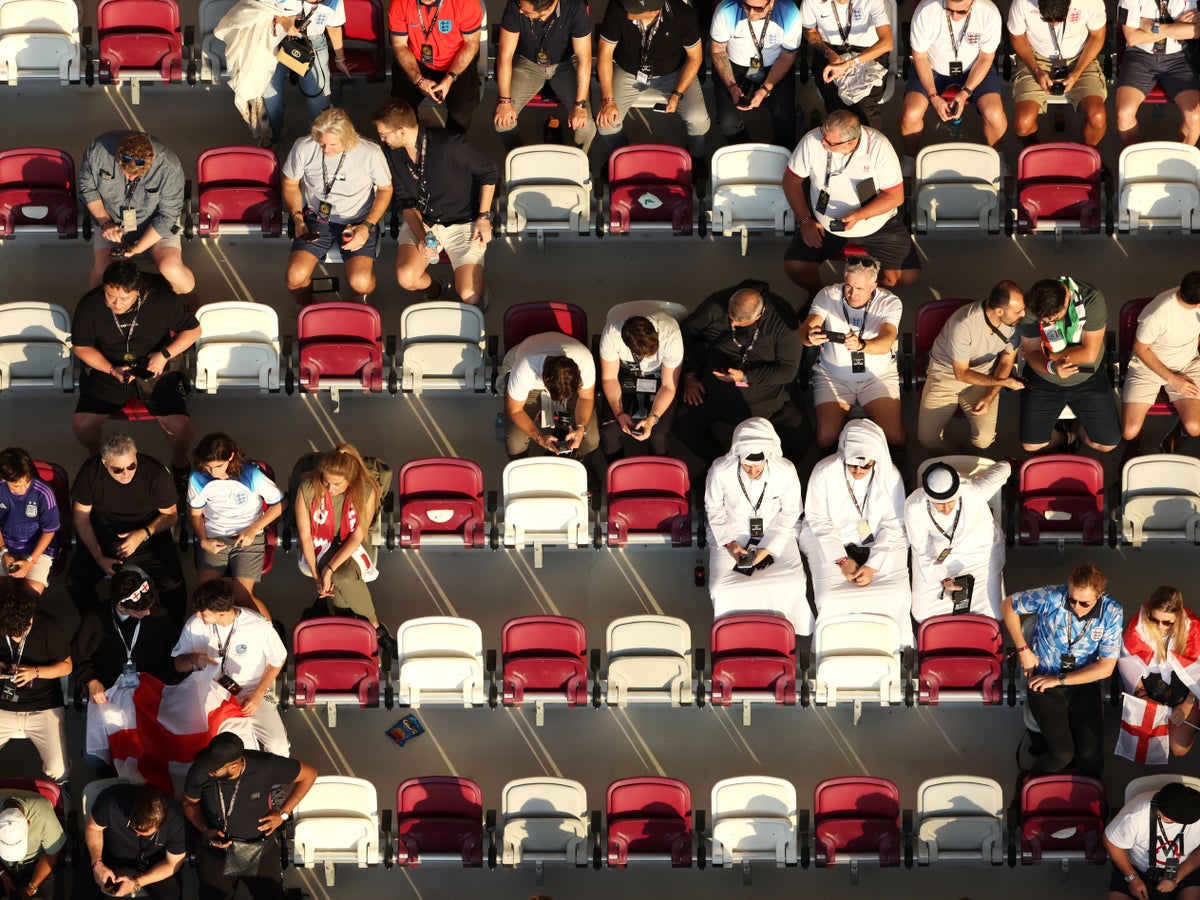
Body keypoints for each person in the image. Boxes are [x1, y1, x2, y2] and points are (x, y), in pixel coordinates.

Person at [70, 261, 200, 475]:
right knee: (82, 426)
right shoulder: (90, 305)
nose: (116, 303)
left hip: (156, 365)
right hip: (110, 366)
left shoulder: (162, 300)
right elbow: (82, 347)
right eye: (110, 295)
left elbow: (193, 331)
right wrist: (111, 369)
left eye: (124, 298)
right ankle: (95, 456)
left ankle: (179, 462)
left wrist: (164, 355)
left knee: (181, 429)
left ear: (138, 291)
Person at [373, 98, 497, 309]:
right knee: (406, 277)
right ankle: (436, 290)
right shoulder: (392, 152)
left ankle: (479, 293)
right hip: (425, 221)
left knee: (470, 295)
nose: (382, 139)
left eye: (384, 135)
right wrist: (422, 237)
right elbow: (405, 199)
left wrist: (483, 217)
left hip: (463, 222)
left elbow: (488, 171)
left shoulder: (450, 144)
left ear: (401, 131)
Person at [1001, 562, 1123, 777]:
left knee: (1092, 757)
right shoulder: (1052, 596)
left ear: (1100, 595)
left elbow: (1105, 668)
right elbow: (1008, 605)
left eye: (1084, 603)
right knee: (1061, 754)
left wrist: (1059, 680)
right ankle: (1028, 781)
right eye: (1072, 599)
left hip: (1081, 683)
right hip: (1043, 682)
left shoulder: (1112, 611)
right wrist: (1023, 649)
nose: (1075, 606)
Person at [782, 110, 920, 299]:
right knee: (795, 267)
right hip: (825, 225)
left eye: (829, 142)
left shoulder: (879, 148)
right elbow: (791, 180)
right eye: (823, 135)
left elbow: (896, 196)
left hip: (876, 224)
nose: (822, 142)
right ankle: (820, 295)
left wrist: (859, 215)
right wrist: (805, 220)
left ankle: (864, 292)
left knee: (905, 276)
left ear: (850, 143)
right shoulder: (811, 141)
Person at [799, 419, 912, 644]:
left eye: (865, 466)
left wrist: (872, 566)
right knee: (830, 598)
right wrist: (842, 560)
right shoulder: (824, 471)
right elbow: (818, 520)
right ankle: (834, 647)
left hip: (881, 540)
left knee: (896, 596)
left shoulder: (890, 476)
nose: (858, 471)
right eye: (852, 465)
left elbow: (893, 524)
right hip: (830, 539)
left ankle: (893, 647)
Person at [673, 281, 807, 467]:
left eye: (739, 322)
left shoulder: (784, 322)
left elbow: (787, 370)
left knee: (801, 437)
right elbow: (685, 334)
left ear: (759, 315)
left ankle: (767, 471)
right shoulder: (715, 305)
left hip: (765, 396)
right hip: (714, 390)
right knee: (682, 424)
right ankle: (722, 465)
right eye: (731, 318)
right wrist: (690, 376)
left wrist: (745, 376)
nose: (733, 323)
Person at [704, 417, 810, 636]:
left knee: (794, 583)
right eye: (747, 465)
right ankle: (733, 634)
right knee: (720, 588)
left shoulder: (786, 470)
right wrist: (730, 544)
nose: (752, 470)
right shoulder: (720, 469)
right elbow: (713, 508)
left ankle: (785, 632)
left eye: (757, 464)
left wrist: (768, 548)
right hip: (730, 535)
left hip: (776, 534)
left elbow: (791, 512)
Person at [181, 732, 317, 900]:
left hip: (258, 849)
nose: (207, 771)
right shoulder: (201, 770)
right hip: (216, 851)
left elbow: (309, 775)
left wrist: (282, 813)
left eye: (214, 769)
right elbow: (189, 803)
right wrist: (205, 829)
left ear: (233, 766)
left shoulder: (265, 765)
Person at [67, 433, 186, 623]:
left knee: (173, 583)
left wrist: (143, 534)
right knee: (75, 583)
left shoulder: (154, 473)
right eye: (118, 469)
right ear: (105, 463)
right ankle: (101, 625)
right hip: (104, 539)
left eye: (131, 466)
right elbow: (81, 518)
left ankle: (172, 630)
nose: (126, 473)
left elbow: (170, 515)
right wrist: (98, 557)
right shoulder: (91, 473)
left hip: (148, 537)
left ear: (136, 457)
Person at [282, 107, 393, 306]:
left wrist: (366, 228)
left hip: (358, 220)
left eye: (333, 144)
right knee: (294, 278)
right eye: (322, 143)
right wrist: (297, 218)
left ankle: (363, 300)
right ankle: (308, 308)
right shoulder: (304, 146)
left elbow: (385, 189)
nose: (326, 150)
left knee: (361, 283)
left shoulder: (370, 152)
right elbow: (290, 183)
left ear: (348, 138)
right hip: (317, 218)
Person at [74, 567, 180, 772]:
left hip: (150, 690)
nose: (148, 612)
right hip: (108, 692)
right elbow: (79, 655)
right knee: (93, 757)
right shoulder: (95, 618)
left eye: (149, 606)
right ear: (121, 606)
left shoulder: (160, 616)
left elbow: (173, 655)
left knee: (155, 747)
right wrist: (91, 681)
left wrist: (158, 686)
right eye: (141, 610)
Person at [799, 255, 904, 452]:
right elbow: (806, 329)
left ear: (874, 286)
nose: (852, 294)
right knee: (824, 438)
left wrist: (862, 345)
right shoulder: (827, 294)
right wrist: (809, 337)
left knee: (895, 436)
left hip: (877, 375)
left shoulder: (890, 302)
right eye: (848, 286)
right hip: (833, 374)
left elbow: (886, 341)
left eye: (860, 289)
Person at [171, 580, 289, 757]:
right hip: (209, 690)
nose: (197, 616)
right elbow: (178, 665)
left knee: (278, 746)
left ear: (222, 613)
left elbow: (278, 659)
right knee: (211, 748)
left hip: (251, 690)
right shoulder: (193, 625)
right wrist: (193, 658)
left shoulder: (258, 625)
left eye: (203, 613)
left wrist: (258, 694)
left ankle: (275, 783)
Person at [78, 131, 196, 305]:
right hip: (109, 222)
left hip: (155, 226)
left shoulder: (169, 167)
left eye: (137, 176)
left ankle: (192, 305)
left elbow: (168, 215)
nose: (130, 177)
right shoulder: (97, 151)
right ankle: (95, 309)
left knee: (171, 268)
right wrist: (105, 222)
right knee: (103, 271)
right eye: (125, 172)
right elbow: (86, 187)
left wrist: (137, 248)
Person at [294, 444, 392, 648]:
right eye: (325, 481)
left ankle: (369, 627)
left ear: (351, 479)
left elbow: (357, 536)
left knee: (341, 576)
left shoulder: (366, 490)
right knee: (340, 579)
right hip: (320, 542)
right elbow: (305, 535)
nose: (330, 489)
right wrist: (317, 575)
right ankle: (372, 630)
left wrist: (329, 569)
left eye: (337, 484)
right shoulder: (308, 487)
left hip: (351, 541)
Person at [595, 0, 710, 170]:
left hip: (673, 72)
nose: (627, 12)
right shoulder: (618, 6)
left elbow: (695, 58)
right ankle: (617, 155)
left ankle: (697, 156)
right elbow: (605, 52)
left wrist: (677, 94)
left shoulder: (684, 15)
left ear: (655, 11)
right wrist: (608, 99)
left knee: (698, 118)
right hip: (629, 71)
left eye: (634, 10)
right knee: (606, 122)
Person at [917, 281, 1026, 452]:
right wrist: (1003, 382)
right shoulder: (964, 324)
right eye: (1018, 311)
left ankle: (964, 454)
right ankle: (951, 457)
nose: (1024, 314)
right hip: (945, 375)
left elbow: (1006, 362)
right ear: (999, 311)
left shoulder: (1015, 325)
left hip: (983, 376)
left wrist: (989, 397)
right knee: (927, 439)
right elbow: (961, 373)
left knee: (983, 440)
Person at [900, 0, 1007, 170]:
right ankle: (909, 159)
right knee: (911, 114)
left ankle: (996, 158)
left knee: (994, 114)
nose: (955, 16)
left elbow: (986, 58)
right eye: (949, 10)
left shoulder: (989, 13)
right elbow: (920, 57)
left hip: (975, 67)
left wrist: (965, 92)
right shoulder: (925, 11)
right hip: (932, 67)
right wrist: (934, 97)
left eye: (962, 12)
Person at [188, 433, 284, 621]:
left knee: (241, 596)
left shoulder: (251, 474)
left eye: (218, 466)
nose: (213, 472)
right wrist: (204, 540)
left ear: (230, 457)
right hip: (214, 536)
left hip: (248, 537)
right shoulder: (198, 477)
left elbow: (281, 504)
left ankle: (269, 636)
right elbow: (195, 514)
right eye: (208, 466)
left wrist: (253, 529)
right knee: (206, 598)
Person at [1018, 275, 1119, 453]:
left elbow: (1089, 354)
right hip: (1045, 377)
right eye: (1044, 321)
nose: (1048, 323)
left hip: (1088, 376)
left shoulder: (1091, 298)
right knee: (1030, 445)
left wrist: (1050, 355)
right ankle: (1066, 437)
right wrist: (1051, 367)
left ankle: (1077, 430)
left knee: (1108, 443)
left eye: (1053, 319)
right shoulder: (1031, 305)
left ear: (1066, 302)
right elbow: (1033, 352)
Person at [905, 460, 1010, 622]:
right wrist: (945, 580)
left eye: (951, 501)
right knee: (922, 614)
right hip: (936, 558)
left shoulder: (974, 491)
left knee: (993, 615)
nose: (946, 508)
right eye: (940, 503)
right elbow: (923, 550)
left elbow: (1005, 467)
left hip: (978, 554)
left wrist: (974, 479)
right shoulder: (914, 506)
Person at [493, 0, 596, 153]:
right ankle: (518, 156)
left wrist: (580, 105)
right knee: (502, 122)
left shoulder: (575, 6)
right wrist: (504, 101)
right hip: (529, 64)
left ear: (547, 9)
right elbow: (505, 56)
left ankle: (578, 160)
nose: (521, 11)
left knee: (586, 126)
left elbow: (584, 58)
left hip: (565, 64)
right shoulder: (517, 4)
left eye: (526, 10)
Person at [1007, 0, 1108, 147]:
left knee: (1097, 116)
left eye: (1060, 20)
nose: (1054, 25)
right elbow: (1016, 37)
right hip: (1034, 57)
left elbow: (1097, 36)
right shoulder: (1022, 2)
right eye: (1046, 20)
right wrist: (1036, 70)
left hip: (1080, 58)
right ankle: (1034, 150)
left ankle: (1090, 155)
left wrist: (1077, 73)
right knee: (1023, 124)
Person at [0, 580, 71, 785]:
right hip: (3, 705)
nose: (15, 636)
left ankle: (61, 794)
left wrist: (36, 672)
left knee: (58, 770)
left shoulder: (48, 628)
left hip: (43, 707)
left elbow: (67, 666)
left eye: (20, 631)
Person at [1122, 272, 1200, 455]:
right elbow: (1140, 349)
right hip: (1148, 366)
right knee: (1129, 431)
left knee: (1194, 428)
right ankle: (1133, 448)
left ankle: (1175, 436)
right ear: (1198, 304)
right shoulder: (1158, 313)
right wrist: (1172, 379)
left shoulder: (1193, 301)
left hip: (1187, 362)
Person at [709, 0, 803, 147]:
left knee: (784, 116)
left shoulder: (789, 13)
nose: (751, 12)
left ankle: (782, 152)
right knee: (727, 121)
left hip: (776, 64)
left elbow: (787, 56)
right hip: (734, 64)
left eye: (758, 9)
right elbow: (718, 50)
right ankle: (744, 148)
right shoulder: (726, 10)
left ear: (771, 3)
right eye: (746, 6)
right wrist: (732, 86)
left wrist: (765, 89)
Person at [1120, 586, 1200, 757]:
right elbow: (1128, 665)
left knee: (1178, 749)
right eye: (1154, 619)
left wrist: (1187, 705)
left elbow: (1197, 670)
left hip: (1187, 691)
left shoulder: (1193, 629)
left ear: (1177, 617)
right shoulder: (1137, 627)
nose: (1160, 627)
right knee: (1145, 741)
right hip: (1152, 688)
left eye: (1167, 623)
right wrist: (1143, 696)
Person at [262, 0, 352, 150]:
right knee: (271, 98)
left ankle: (320, 142)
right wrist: (283, 20)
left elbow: (333, 25)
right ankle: (275, 135)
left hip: (312, 42)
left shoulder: (334, 1)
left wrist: (340, 59)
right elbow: (255, 11)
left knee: (319, 100)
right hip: (275, 40)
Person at [598, 304, 683, 459]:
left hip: (660, 377)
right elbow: (609, 378)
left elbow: (668, 385)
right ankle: (619, 473)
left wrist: (653, 418)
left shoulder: (671, 335)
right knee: (609, 432)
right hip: (626, 374)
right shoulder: (612, 333)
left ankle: (657, 472)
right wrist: (619, 414)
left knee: (658, 434)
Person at [388, 0, 483, 135]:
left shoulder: (466, 2)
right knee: (401, 109)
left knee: (460, 113)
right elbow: (399, 45)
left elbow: (471, 43)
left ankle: (449, 148)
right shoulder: (399, 2)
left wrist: (449, 79)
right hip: (416, 61)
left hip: (455, 62)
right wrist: (419, 80)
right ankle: (414, 142)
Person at [1115, 0, 1200, 146]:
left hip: (1178, 58)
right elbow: (1133, 38)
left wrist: (1153, 27)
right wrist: (1176, 27)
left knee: (1194, 117)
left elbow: (1195, 32)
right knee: (1124, 114)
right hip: (1139, 57)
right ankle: (1134, 155)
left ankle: (1182, 159)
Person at [798, 0, 893, 128]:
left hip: (867, 51)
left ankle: (869, 145)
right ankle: (836, 143)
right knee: (836, 105)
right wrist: (829, 53)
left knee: (865, 106)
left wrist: (850, 63)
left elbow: (887, 43)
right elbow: (809, 31)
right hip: (830, 49)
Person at [504, 333, 600, 459]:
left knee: (592, 440)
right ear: (545, 380)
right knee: (514, 443)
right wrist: (539, 438)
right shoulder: (525, 368)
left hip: (566, 384)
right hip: (533, 387)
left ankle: (576, 462)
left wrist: (581, 427)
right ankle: (522, 468)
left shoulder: (584, 360)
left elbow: (586, 397)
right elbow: (515, 410)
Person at [84, 784, 186, 900]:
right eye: (133, 828)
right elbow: (93, 828)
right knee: (82, 892)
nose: (137, 835)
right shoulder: (112, 801)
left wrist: (137, 883)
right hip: (108, 857)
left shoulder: (177, 822)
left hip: (154, 864)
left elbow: (172, 864)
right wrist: (97, 863)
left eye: (146, 835)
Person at [1105, 781, 1200, 900]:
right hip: (1136, 869)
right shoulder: (1136, 813)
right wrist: (1132, 877)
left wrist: (1176, 877)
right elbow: (1111, 841)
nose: (1160, 814)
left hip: (1184, 867)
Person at [0, 448, 59, 596]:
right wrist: (4, 553)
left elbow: (49, 530)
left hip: (37, 550)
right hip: (6, 545)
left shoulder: (44, 492)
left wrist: (31, 561)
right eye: (16, 485)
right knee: (3, 592)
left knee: (29, 593)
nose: (22, 489)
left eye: (26, 482)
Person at [0, 788, 65, 900]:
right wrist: (1, 873)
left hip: (38, 861)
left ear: (28, 824)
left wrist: (32, 886)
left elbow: (52, 853)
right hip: (3, 864)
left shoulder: (43, 814)